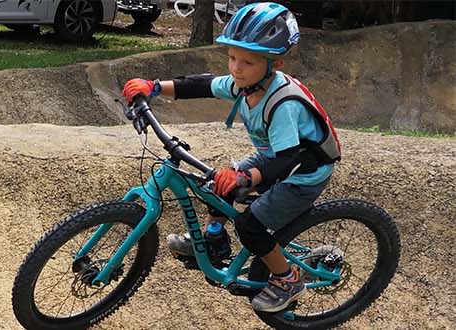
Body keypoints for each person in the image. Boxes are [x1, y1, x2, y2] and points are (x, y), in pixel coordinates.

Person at [120, 3, 341, 312]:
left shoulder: (282, 104)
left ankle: (288, 278)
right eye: (233, 57)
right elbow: (200, 85)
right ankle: (214, 239)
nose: (236, 68)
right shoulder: (245, 85)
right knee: (216, 183)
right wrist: (153, 87)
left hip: (304, 173)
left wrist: (246, 178)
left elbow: (287, 160)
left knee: (250, 226)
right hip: (274, 158)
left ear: (273, 64)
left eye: (247, 61)